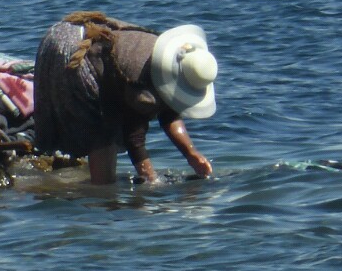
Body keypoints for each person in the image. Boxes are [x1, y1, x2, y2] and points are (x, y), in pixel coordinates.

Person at [33, 11, 217, 183]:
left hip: (78, 35)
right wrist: (149, 177)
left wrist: (192, 154)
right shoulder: (139, 79)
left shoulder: (169, 56)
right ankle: (102, 193)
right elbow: (133, 134)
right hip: (68, 49)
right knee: (103, 128)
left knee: (108, 119)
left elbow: (168, 112)